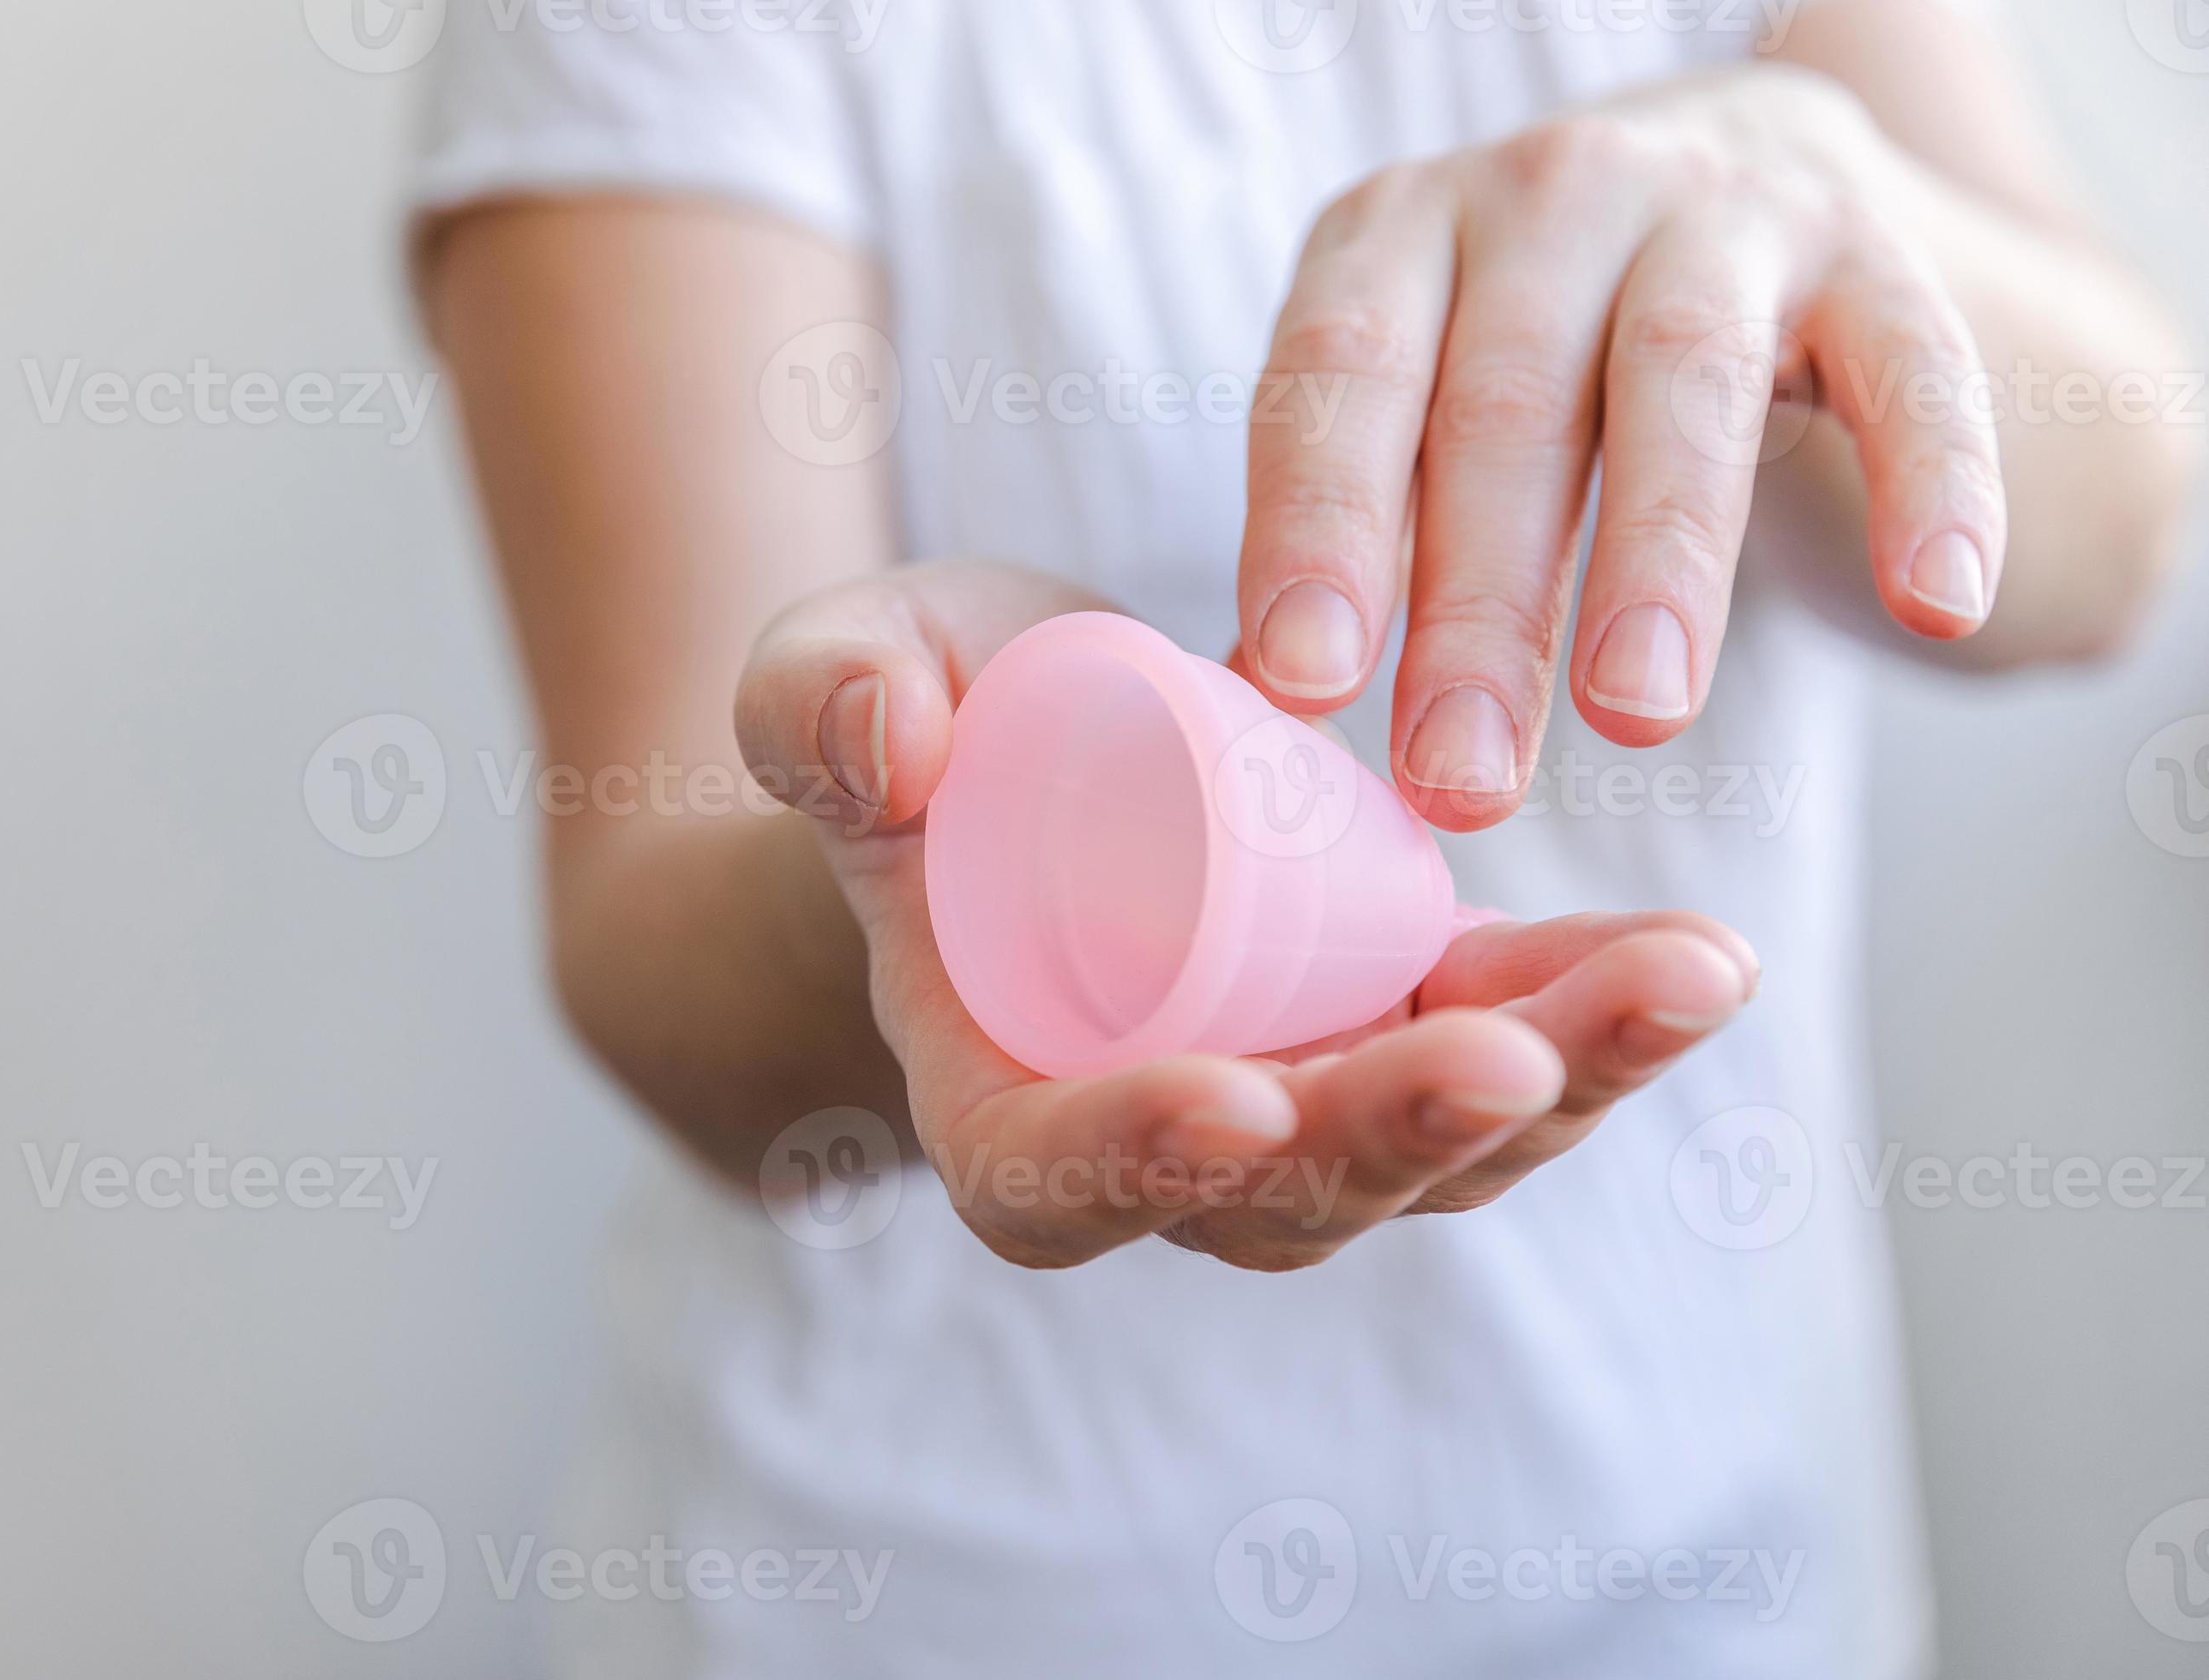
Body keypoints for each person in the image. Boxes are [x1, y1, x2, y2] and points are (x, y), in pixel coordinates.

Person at [412, 1, 2196, 1671]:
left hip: (1698, 1561)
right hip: (925, 1593)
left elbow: (2115, 531)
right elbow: (645, 896)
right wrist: (927, 858)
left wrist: (1820, 207)